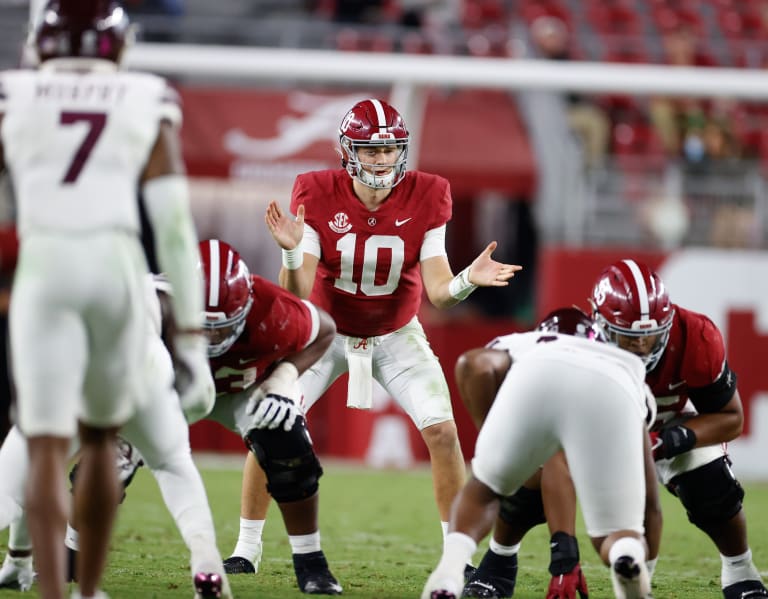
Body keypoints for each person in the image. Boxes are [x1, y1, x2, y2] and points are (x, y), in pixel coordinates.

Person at [254, 97, 521, 571]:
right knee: (270, 423)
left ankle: (456, 556)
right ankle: (246, 548)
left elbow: (439, 293)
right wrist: (293, 254)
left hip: (397, 333)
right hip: (326, 333)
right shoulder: (316, 191)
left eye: (389, 150)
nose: (381, 160)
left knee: (442, 432)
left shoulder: (429, 192)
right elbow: (296, 292)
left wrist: (466, 281)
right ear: (347, 150)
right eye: (370, 150)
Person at [0, 1, 209, 597]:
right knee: (98, 438)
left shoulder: (13, 93)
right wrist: (190, 337)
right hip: (116, 266)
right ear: (118, 46)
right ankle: (87, 590)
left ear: (42, 43)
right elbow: (173, 228)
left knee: (42, 446)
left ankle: (50, 591)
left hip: (45, 264)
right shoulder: (146, 96)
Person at [467, 259, 768, 599]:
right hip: (591, 423)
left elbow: (731, 418)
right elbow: (556, 460)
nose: (642, 347)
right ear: (598, 324)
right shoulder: (573, 342)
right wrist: (564, 553)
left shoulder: (696, 336)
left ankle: (740, 570)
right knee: (527, 475)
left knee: (711, 483)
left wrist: (672, 440)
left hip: (664, 424)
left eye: (651, 336)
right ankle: (499, 561)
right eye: (629, 338)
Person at [0, 274, 230, 599]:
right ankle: (207, 566)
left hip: (75, 367)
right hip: (145, 362)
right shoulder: (136, 275)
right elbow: (199, 395)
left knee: (16, 479)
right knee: (173, 464)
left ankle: (33, 566)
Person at [421, 307, 659, 599]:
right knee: (617, 531)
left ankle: (449, 572)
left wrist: (491, 440)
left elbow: (474, 364)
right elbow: (651, 506)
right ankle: (627, 554)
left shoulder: (524, 344)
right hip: (612, 387)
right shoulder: (625, 365)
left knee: (484, 489)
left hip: (536, 373)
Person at [197, 239, 343, 595]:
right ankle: (72, 551)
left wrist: (283, 377)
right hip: (177, 385)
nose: (214, 336)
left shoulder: (270, 307)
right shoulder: (152, 304)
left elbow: (324, 330)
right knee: (114, 452)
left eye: (223, 325)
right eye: (204, 324)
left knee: (287, 437)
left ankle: (310, 561)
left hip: (245, 389)